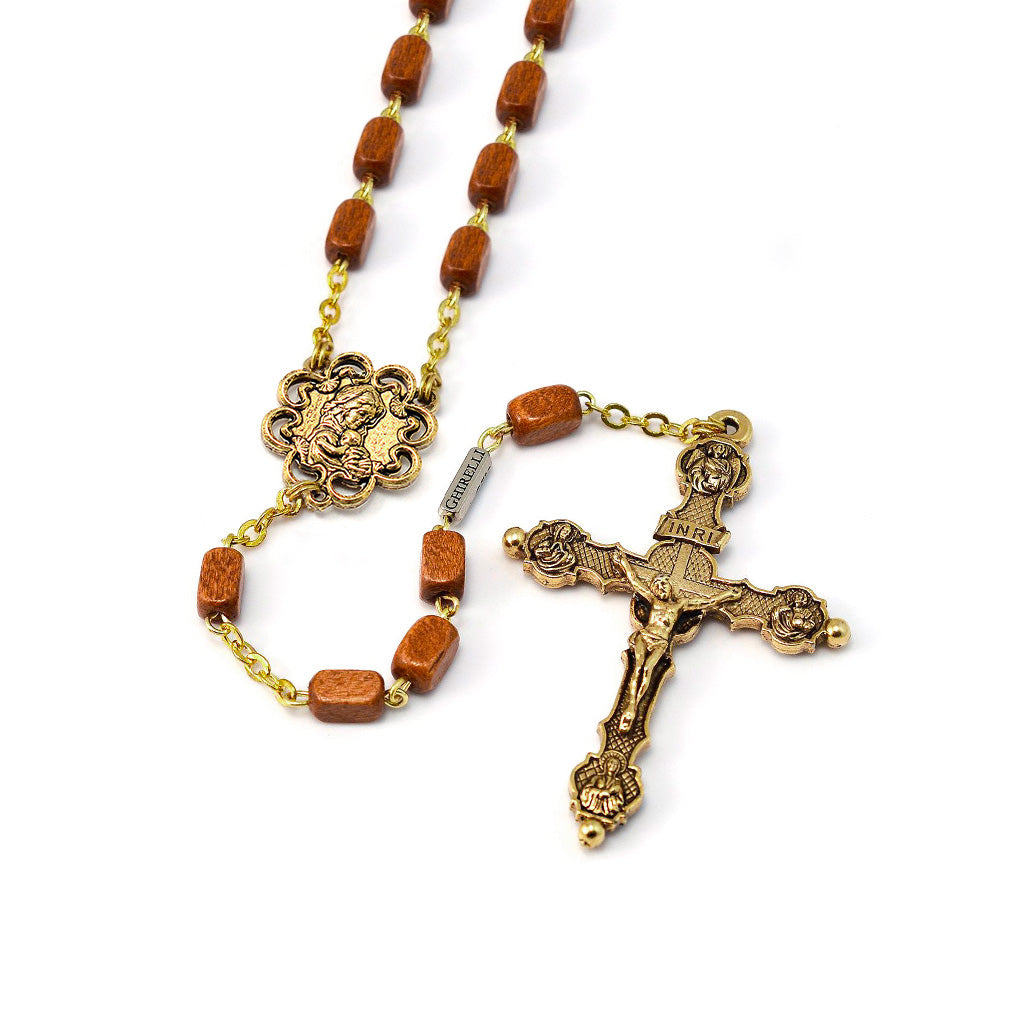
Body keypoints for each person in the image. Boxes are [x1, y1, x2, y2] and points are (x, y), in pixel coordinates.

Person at [611, 551, 742, 732]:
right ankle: (630, 708)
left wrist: (727, 595)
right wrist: (623, 563)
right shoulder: (652, 600)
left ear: (670, 587)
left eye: (664, 584)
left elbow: (707, 602)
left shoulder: (678, 606)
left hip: (660, 643)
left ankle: (633, 707)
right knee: (638, 669)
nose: (661, 588)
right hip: (645, 636)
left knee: (648, 670)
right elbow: (634, 581)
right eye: (657, 585)